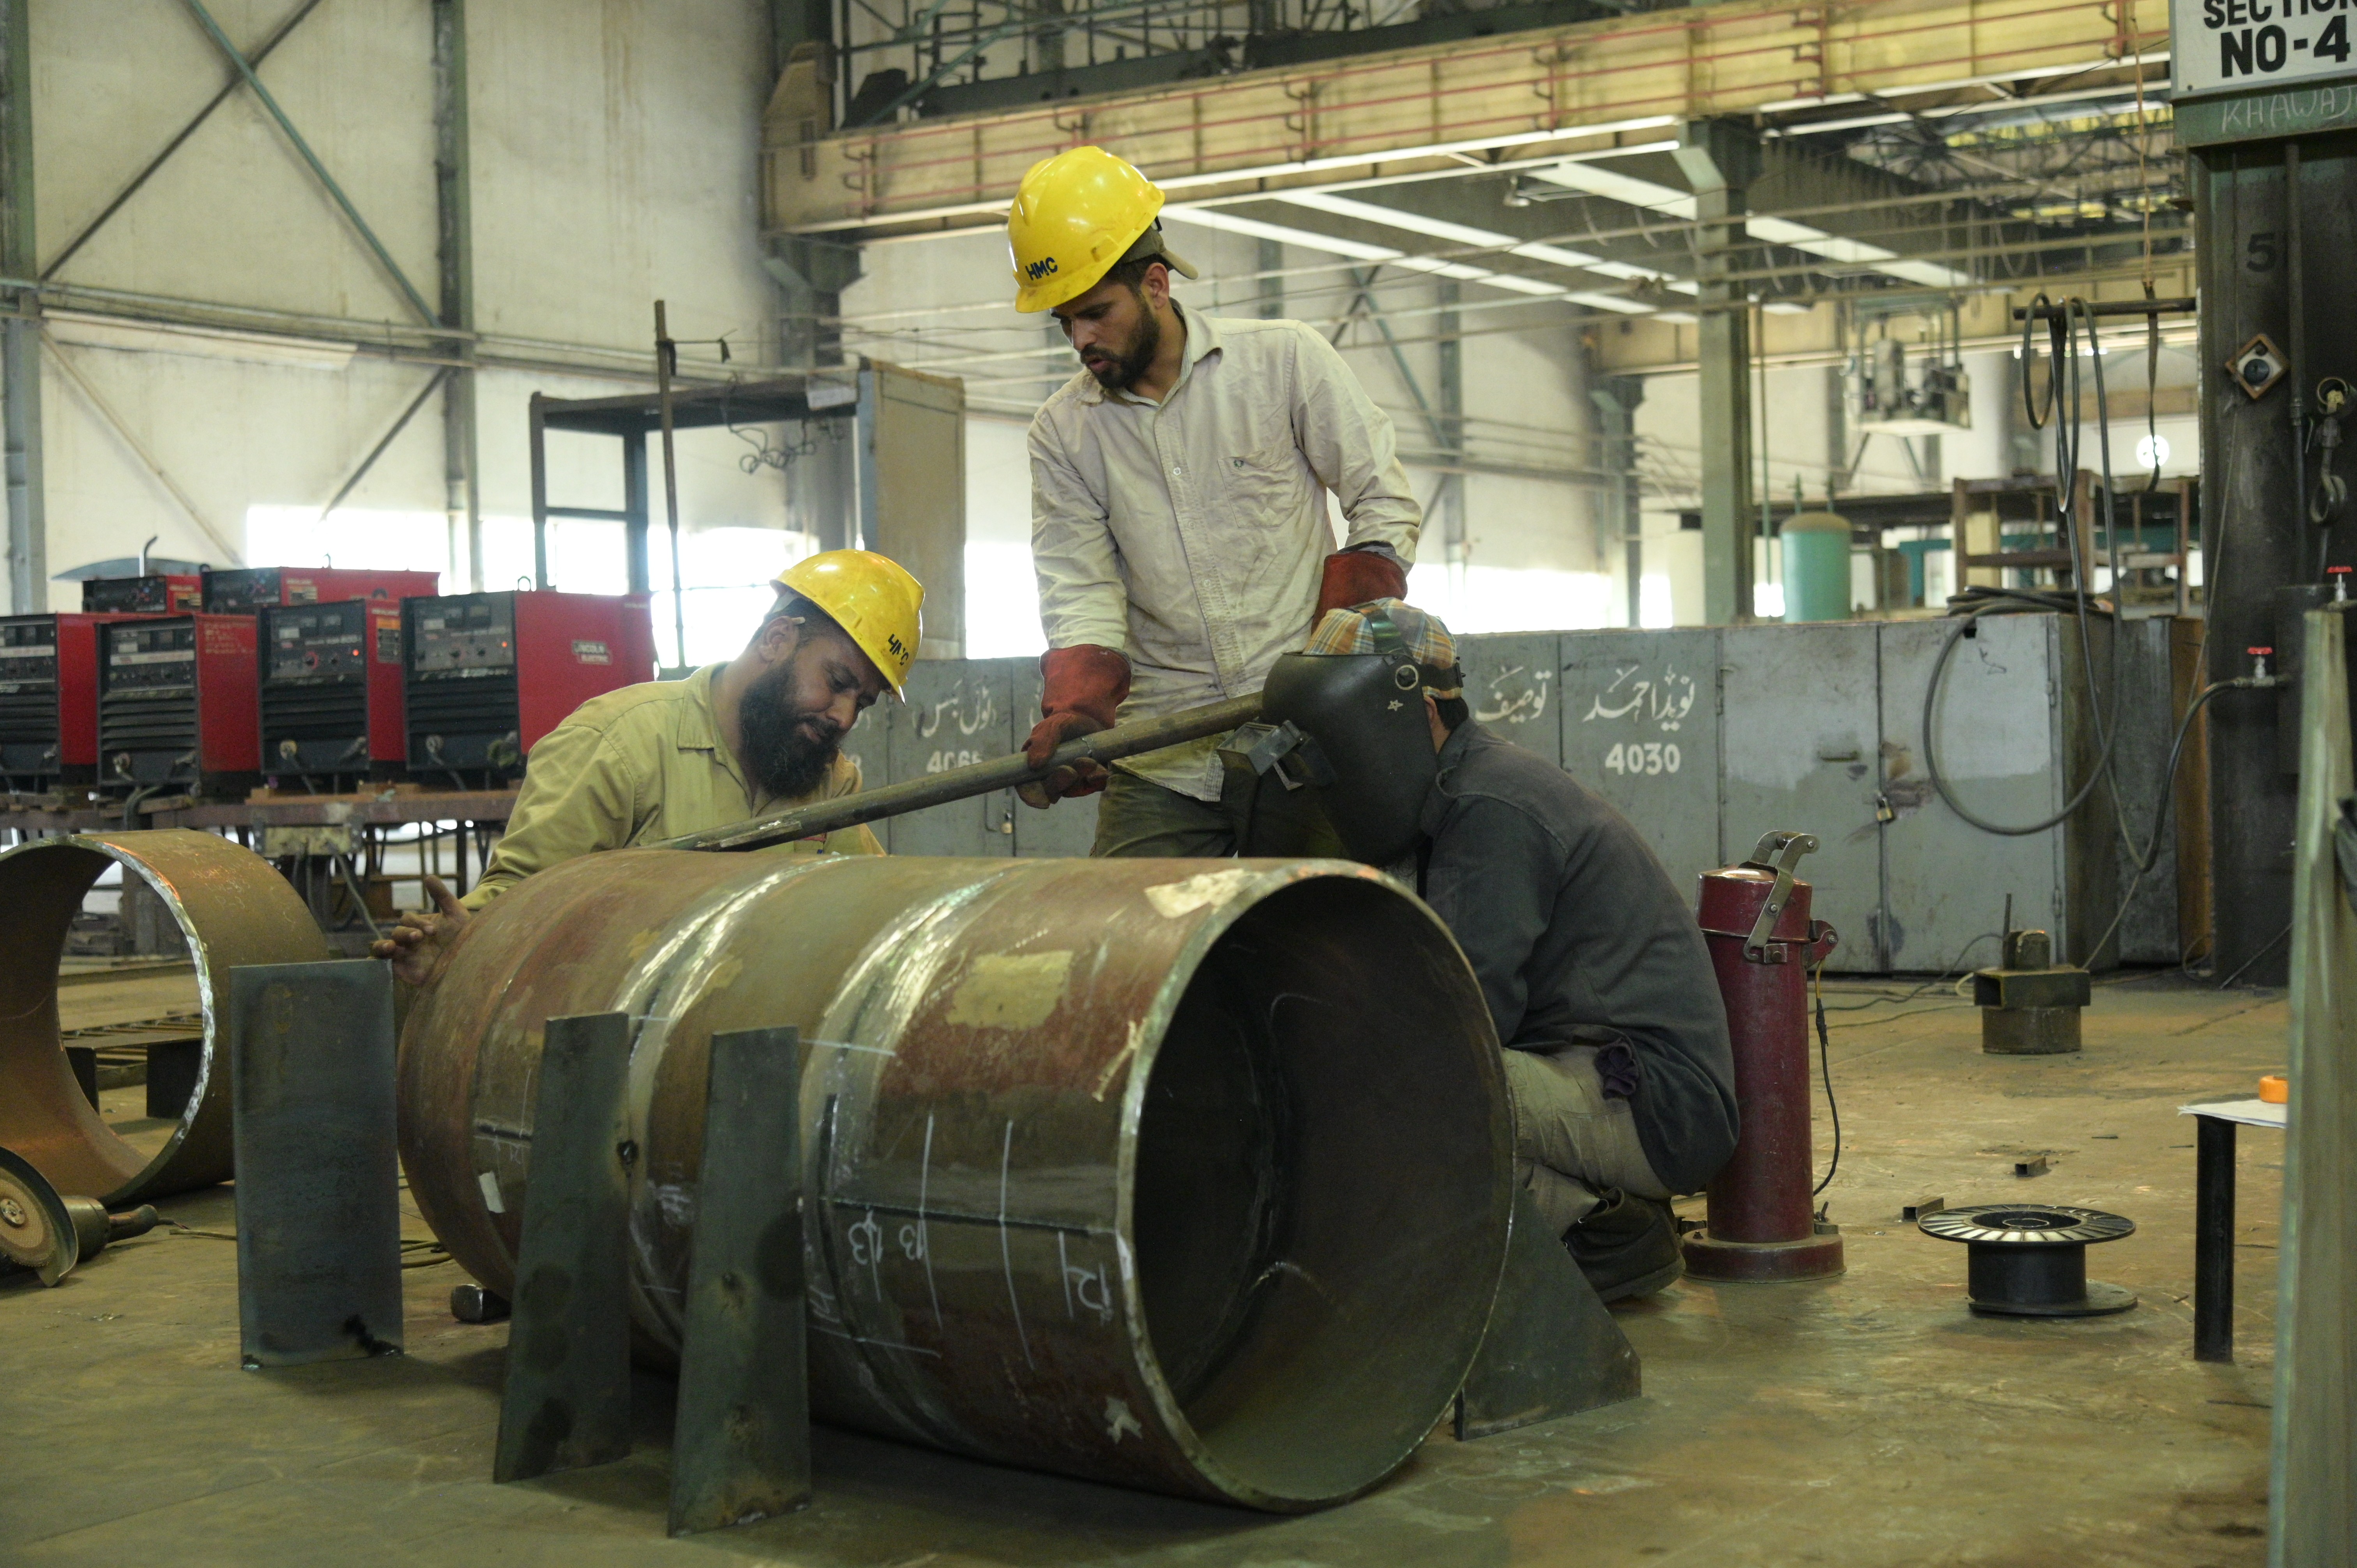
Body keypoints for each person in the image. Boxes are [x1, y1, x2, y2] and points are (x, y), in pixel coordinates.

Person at [1295, 601, 1737, 1302]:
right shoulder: (1449, 796)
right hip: (1591, 1074)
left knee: (1408, 1084)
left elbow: (1466, 1018)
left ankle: (1592, 1228)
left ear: (1419, 714)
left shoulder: (1490, 808)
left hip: (1658, 1106)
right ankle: (1611, 1212)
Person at [1007, 143, 1421, 856]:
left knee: (1325, 943)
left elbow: (1381, 501)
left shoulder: (1284, 362)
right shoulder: (1063, 433)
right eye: (1065, 322)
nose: (1081, 339)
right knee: (1130, 951)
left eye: (1097, 313)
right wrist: (1078, 707)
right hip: (1162, 748)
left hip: (1304, 734)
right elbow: (1082, 588)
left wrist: (1332, 656)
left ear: (1157, 286)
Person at [371, 549, 923, 984]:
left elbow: (880, 902)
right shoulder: (618, 745)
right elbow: (524, 900)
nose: (844, 715)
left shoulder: (827, 780)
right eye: (838, 682)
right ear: (779, 639)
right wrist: (464, 944)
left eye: (864, 703)